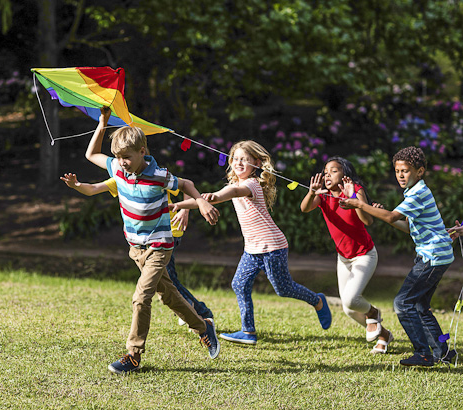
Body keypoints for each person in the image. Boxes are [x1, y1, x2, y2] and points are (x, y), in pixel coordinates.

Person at [84, 107, 221, 375]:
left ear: (143, 151)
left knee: (140, 298)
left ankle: (133, 355)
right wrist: (102, 123)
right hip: (136, 248)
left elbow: (186, 183)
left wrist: (201, 203)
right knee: (169, 296)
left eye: (127, 157)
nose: (121, 162)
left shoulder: (159, 175)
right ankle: (204, 327)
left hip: (159, 246)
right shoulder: (118, 169)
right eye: (118, 157)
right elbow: (91, 155)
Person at [171, 140, 331, 345]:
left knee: (283, 288)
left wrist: (215, 196)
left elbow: (228, 194)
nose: (238, 163)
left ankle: (317, 301)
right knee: (239, 283)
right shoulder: (235, 184)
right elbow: (208, 199)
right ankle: (248, 332)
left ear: (256, 163)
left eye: (244, 160)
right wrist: (177, 204)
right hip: (253, 249)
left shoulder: (251, 184)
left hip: (272, 246)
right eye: (235, 159)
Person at [340, 146, 455, 367]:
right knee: (420, 306)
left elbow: (393, 217)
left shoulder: (419, 192)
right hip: (438, 255)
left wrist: (359, 204)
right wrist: (381, 213)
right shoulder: (413, 192)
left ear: (420, 171)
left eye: (406, 171)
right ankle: (443, 350)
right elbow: (406, 226)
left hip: (432, 256)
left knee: (403, 303)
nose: (401, 175)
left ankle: (423, 353)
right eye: (397, 171)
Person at [59, 173, 215, 324]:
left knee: (167, 281)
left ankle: (199, 312)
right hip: (146, 239)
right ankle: (194, 310)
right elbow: (93, 189)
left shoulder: (155, 175)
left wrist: (184, 210)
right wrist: (77, 185)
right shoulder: (120, 178)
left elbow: (187, 184)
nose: (123, 163)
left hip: (167, 232)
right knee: (165, 281)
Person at [300, 156, 394, 354]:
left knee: (351, 299)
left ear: (345, 174)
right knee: (349, 308)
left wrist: (353, 200)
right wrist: (311, 193)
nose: (328, 175)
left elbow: (367, 221)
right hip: (343, 258)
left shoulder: (355, 191)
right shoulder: (323, 195)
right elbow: (305, 208)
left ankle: (373, 313)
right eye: (325, 172)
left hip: (364, 255)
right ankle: (383, 333)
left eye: (333, 171)